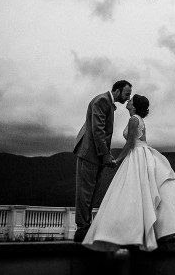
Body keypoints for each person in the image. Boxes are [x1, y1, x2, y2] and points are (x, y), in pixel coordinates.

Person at [82, 94, 175, 251]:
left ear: (134, 106)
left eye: (130, 100)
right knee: (143, 192)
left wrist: (117, 160)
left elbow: (130, 143)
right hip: (143, 153)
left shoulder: (134, 119)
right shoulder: (139, 119)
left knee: (133, 193)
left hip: (137, 154)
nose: (128, 101)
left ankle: (130, 233)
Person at [73, 80, 132, 242]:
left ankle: (85, 226)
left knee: (91, 191)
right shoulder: (102, 100)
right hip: (89, 153)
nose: (128, 98)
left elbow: (103, 134)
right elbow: (98, 130)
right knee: (85, 191)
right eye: (127, 94)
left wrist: (106, 155)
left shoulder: (107, 102)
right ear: (117, 91)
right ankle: (82, 228)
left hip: (96, 154)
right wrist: (106, 156)